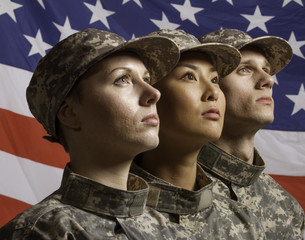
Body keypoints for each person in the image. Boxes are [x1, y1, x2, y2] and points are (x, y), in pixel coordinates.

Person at [0, 28, 197, 239]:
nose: (154, 93)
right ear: (70, 113)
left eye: (147, 79)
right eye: (122, 79)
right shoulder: (43, 231)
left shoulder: (172, 230)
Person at [131, 29, 267, 239]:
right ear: (150, 96)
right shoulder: (114, 219)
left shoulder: (244, 224)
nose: (213, 92)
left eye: (215, 80)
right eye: (189, 76)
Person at [198, 29, 305, 239]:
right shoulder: (178, 188)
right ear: (210, 87)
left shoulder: (287, 206)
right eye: (245, 70)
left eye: (267, 70)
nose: (268, 80)